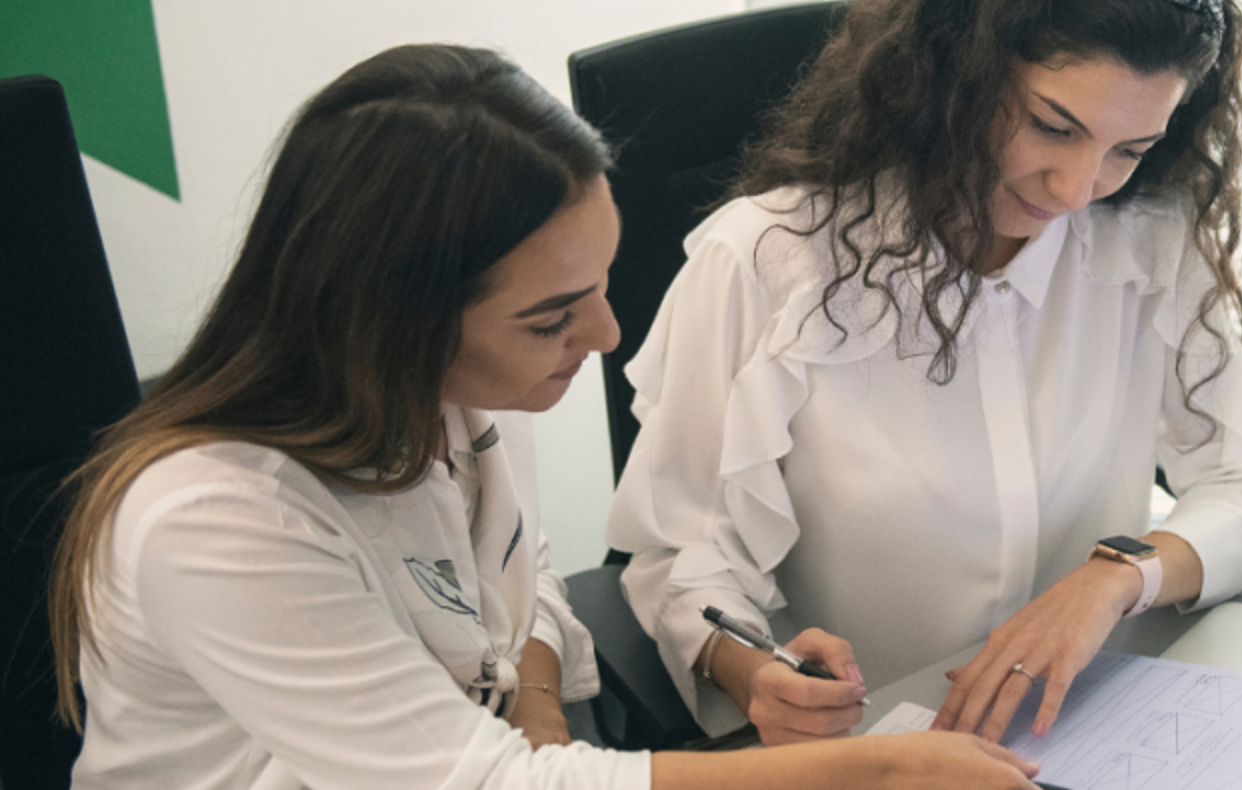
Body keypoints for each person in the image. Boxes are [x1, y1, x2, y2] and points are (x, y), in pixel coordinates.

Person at [48, 43, 1041, 790]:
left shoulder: (465, 390)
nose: (605, 334)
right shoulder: (217, 518)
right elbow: (473, 781)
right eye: (551, 317)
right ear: (394, 318)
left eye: (600, 284)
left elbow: (523, 602)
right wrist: (883, 768)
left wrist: (542, 726)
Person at [606, 0, 1242, 748]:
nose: (1077, 188)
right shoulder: (768, 261)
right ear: (954, 77)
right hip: (873, 744)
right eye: (1054, 127)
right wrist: (751, 671)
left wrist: (1117, 578)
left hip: (1085, 728)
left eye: (1131, 149)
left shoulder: (1144, 241)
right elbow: (679, 557)